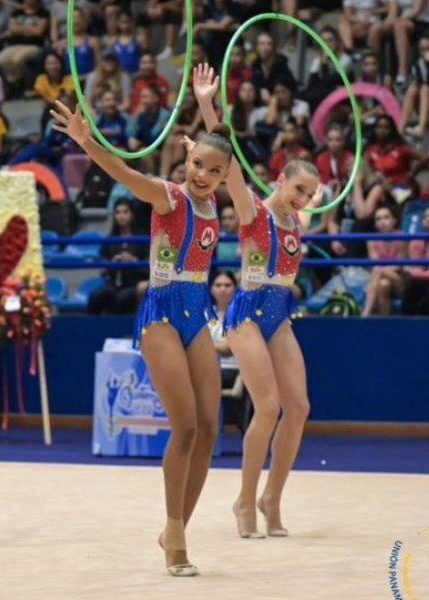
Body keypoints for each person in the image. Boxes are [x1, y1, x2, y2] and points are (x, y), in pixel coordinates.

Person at [51, 94, 230, 577]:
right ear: (185, 159)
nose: (201, 175)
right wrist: (88, 143)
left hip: (197, 312)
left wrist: (211, 115)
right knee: (187, 426)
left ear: (222, 176)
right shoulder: (167, 196)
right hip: (160, 313)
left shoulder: (215, 205)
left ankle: (177, 528)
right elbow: (124, 176)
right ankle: (175, 535)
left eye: (213, 171)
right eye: (196, 165)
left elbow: (227, 150)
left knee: (211, 429)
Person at [194, 64, 322, 540]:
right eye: (297, 190)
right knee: (266, 406)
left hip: (279, 315)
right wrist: (209, 104)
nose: (303, 199)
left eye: (310, 194)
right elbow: (222, 163)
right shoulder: (253, 212)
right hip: (246, 313)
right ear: (280, 181)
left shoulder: (299, 224)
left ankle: (272, 497)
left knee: (299, 407)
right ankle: (244, 500)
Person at [86, 200, 149, 314]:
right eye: (118, 212)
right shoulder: (110, 239)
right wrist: (112, 263)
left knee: (122, 298)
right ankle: (89, 328)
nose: (121, 216)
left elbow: (150, 267)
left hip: (135, 282)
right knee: (96, 296)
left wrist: (133, 261)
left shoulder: (142, 238)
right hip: (113, 283)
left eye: (125, 212)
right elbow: (102, 269)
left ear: (132, 215)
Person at [362, 205, 407, 315]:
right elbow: (375, 263)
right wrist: (381, 270)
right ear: (375, 224)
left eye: (386, 217)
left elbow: (400, 266)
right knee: (383, 285)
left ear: (394, 221)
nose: (383, 222)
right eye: (379, 219)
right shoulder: (372, 241)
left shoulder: (402, 236)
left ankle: (365, 313)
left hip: (401, 282)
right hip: (381, 281)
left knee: (378, 271)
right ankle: (383, 322)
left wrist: (381, 270)